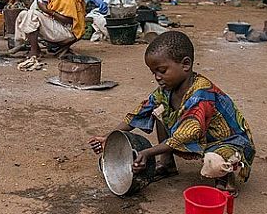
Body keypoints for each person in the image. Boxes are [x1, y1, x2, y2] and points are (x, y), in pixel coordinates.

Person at [89, 31, 255, 195]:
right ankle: (167, 164)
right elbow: (139, 113)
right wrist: (108, 137)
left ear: (185, 64)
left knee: (215, 163)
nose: (157, 77)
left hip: (230, 142)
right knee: (158, 110)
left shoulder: (201, 94)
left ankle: (226, 178)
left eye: (162, 70)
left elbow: (186, 134)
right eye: (154, 72)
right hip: (203, 138)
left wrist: (147, 152)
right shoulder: (166, 91)